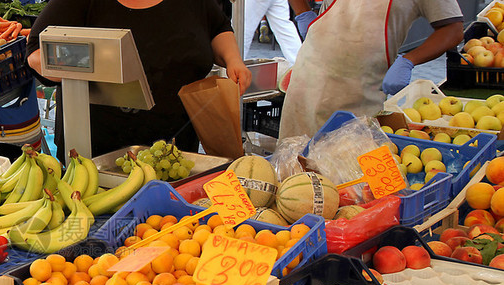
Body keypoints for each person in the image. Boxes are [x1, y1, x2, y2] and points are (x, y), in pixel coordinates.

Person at [26, 0, 252, 157]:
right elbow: (36, 52)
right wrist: (92, 65)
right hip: (97, 155)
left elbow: (218, 28)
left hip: (178, 149)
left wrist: (233, 60)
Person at [278, 0, 463, 139]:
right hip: (308, 75)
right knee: (292, 171)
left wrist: (409, 60)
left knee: (345, 175)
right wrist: (304, 14)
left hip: (360, 94)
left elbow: (452, 29)